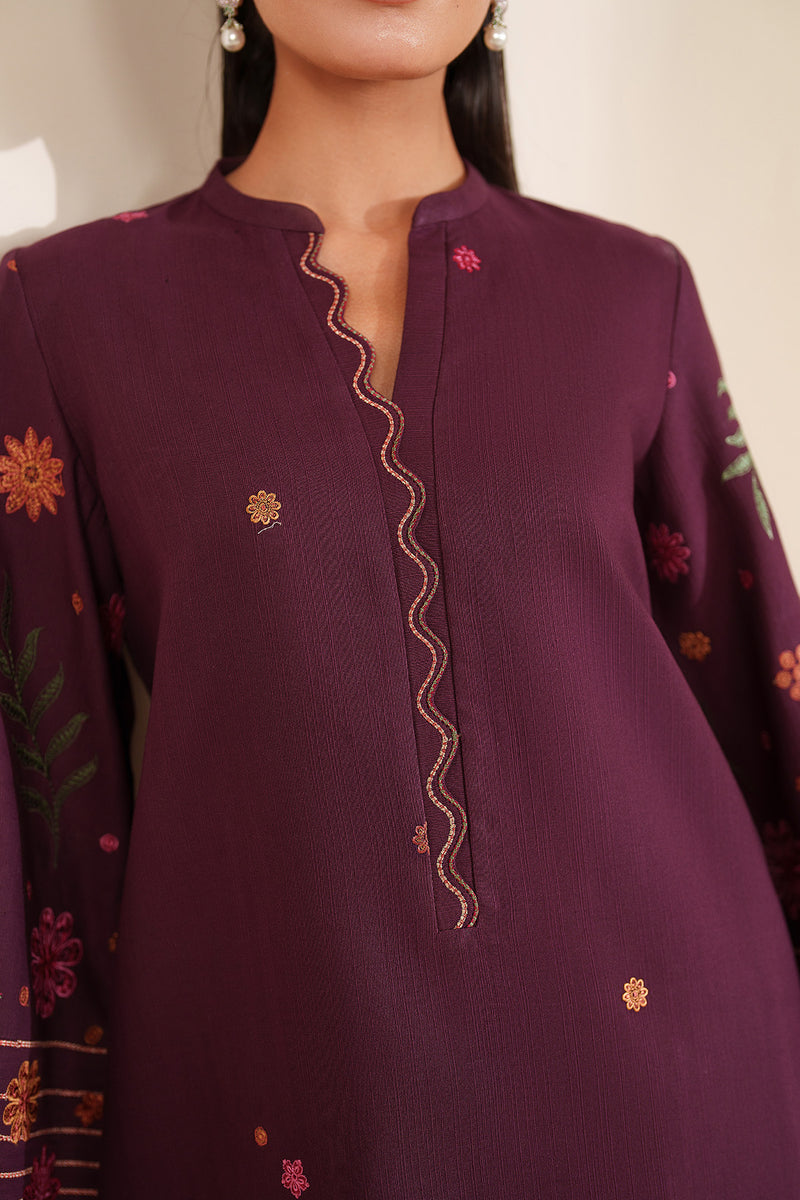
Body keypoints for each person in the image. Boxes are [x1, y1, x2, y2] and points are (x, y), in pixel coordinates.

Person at [2, 1, 799, 1196]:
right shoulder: (63, 311)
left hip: (678, 1091)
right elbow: (52, 826)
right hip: (282, 1104)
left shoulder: (632, 291)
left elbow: (757, 699)